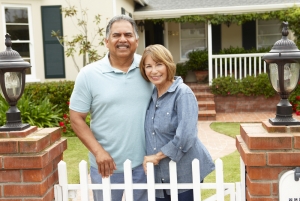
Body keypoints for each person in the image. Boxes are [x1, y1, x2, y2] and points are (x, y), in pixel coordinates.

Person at [69, 15, 153, 201]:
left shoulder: (149, 69)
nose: (123, 39)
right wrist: (99, 152)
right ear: (107, 41)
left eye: (128, 35)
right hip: (105, 166)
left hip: (145, 165)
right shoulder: (88, 74)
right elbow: (76, 117)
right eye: (116, 35)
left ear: (136, 41)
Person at [140, 44, 215, 201]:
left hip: (184, 172)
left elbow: (186, 136)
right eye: (148, 66)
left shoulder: (183, 93)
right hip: (160, 175)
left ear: (168, 65)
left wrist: (157, 157)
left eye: (158, 64)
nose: (154, 71)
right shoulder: (152, 95)